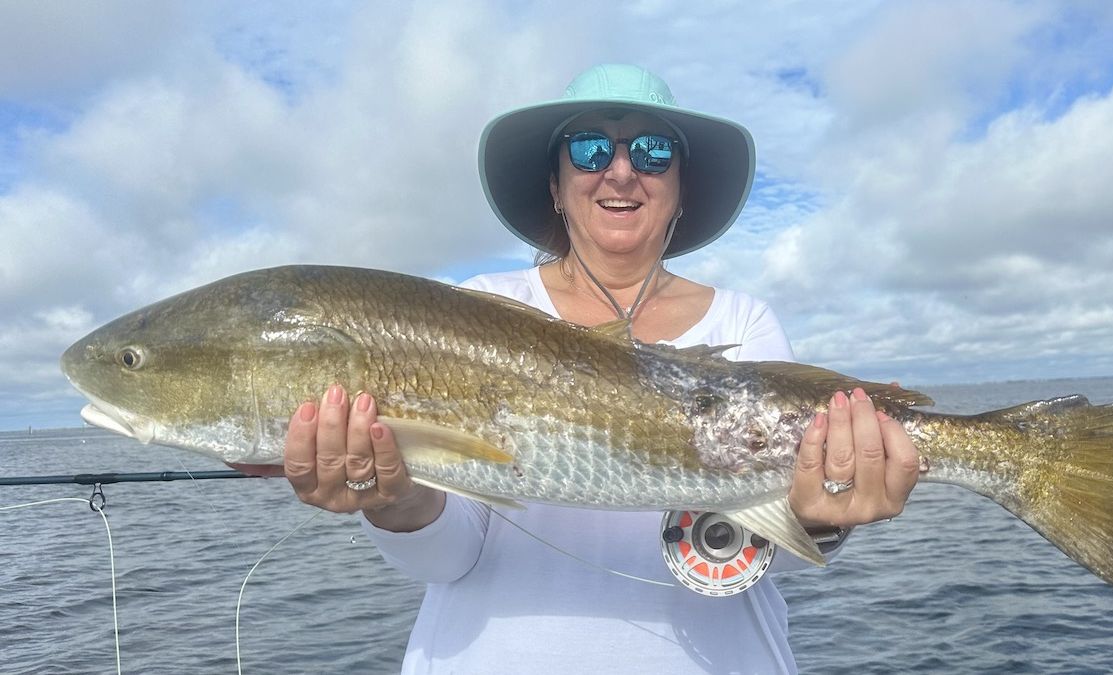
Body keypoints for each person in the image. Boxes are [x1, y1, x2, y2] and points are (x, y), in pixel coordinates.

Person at [283, 64, 920, 674]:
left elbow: (753, 555)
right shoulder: (475, 315)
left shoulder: (744, 323)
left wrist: (821, 516)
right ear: (556, 187)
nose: (620, 172)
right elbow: (451, 556)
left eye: (652, 152)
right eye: (589, 149)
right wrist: (393, 501)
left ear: (679, 191)